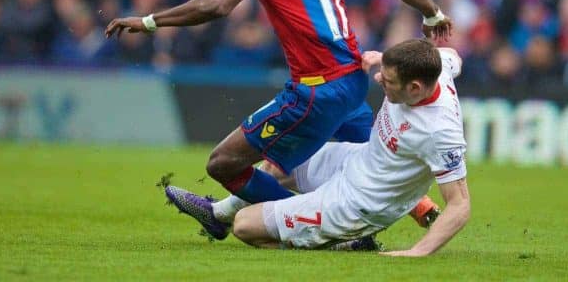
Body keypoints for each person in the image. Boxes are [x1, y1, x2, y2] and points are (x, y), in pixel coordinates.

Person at [105, 0, 452, 239]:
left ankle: (315, 227)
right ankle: (222, 214)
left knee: (224, 163)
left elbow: (219, 4)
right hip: (351, 83)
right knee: (360, 160)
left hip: (315, 92)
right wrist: (433, 15)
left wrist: (150, 21)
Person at [166, 39, 469, 254]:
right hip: (355, 161)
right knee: (281, 159)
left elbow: (460, 205)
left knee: (245, 226)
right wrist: (382, 58)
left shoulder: (439, 131)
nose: (378, 79)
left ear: (415, 88)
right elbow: (451, 53)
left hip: (359, 203)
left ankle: (342, 241)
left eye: (387, 79)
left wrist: (418, 252)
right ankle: (218, 214)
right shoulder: (436, 67)